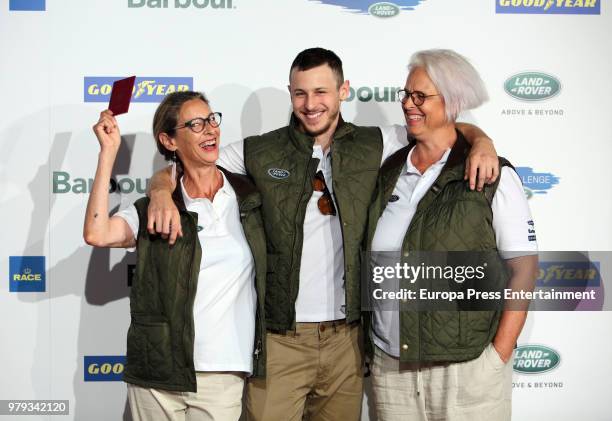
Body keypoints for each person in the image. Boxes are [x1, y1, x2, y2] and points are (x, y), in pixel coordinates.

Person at [147, 48, 501, 421]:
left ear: (343, 91)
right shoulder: (261, 150)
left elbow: (441, 127)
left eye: (321, 92)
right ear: (290, 93)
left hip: (346, 342)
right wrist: (158, 190)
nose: (310, 103)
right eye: (300, 93)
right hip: (280, 339)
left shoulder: (376, 143)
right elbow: (192, 161)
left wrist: (482, 141)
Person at [364, 49, 539, 421]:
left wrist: (498, 356)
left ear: (453, 101)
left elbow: (523, 269)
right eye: (406, 94)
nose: (408, 104)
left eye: (421, 96)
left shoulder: (492, 175)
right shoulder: (388, 163)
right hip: (391, 369)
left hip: (467, 370)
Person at [83, 91, 266, 421]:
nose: (210, 130)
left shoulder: (248, 197)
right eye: (195, 124)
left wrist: (160, 186)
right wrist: (108, 154)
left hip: (222, 372)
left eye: (212, 119)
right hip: (158, 373)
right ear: (169, 140)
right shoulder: (154, 209)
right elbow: (97, 233)